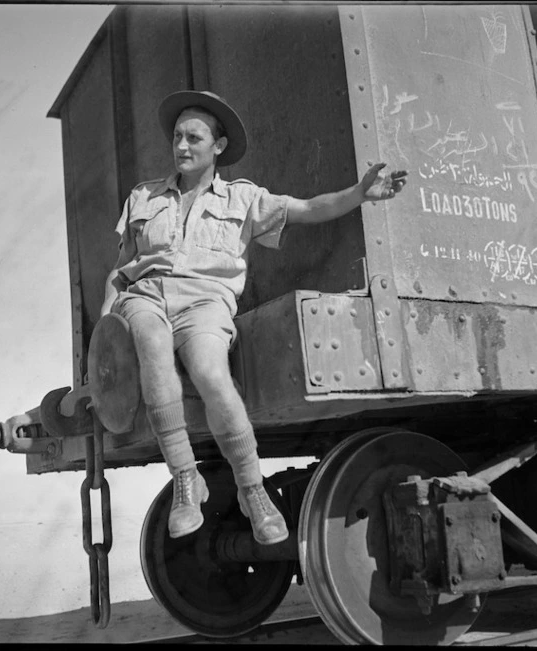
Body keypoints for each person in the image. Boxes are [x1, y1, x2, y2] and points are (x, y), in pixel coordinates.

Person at [100, 90, 407, 545]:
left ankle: (252, 489)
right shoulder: (143, 195)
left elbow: (308, 208)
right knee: (151, 345)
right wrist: (104, 333)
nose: (182, 146)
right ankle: (187, 482)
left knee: (210, 371)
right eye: (177, 137)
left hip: (206, 302)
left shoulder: (245, 199)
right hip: (144, 296)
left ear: (218, 146)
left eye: (194, 138)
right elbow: (119, 267)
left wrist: (360, 194)